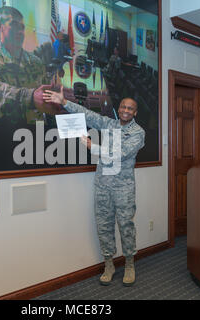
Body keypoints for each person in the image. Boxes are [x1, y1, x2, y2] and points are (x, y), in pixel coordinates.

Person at [42, 87, 145, 286]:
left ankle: (130, 264)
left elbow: (120, 153)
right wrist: (64, 102)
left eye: (130, 108)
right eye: (123, 106)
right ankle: (109, 264)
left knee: (126, 226)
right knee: (104, 226)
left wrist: (93, 147)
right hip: (102, 186)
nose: (125, 110)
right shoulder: (109, 123)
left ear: (135, 112)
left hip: (123, 188)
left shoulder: (137, 133)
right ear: (119, 108)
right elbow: (87, 115)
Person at [0, 6, 58, 124]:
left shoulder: (36, 62)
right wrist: (30, 97)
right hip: (4, 136)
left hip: (38, 135)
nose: (20, 31)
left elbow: (46, 96)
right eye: (14, 25)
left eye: (22, 27)